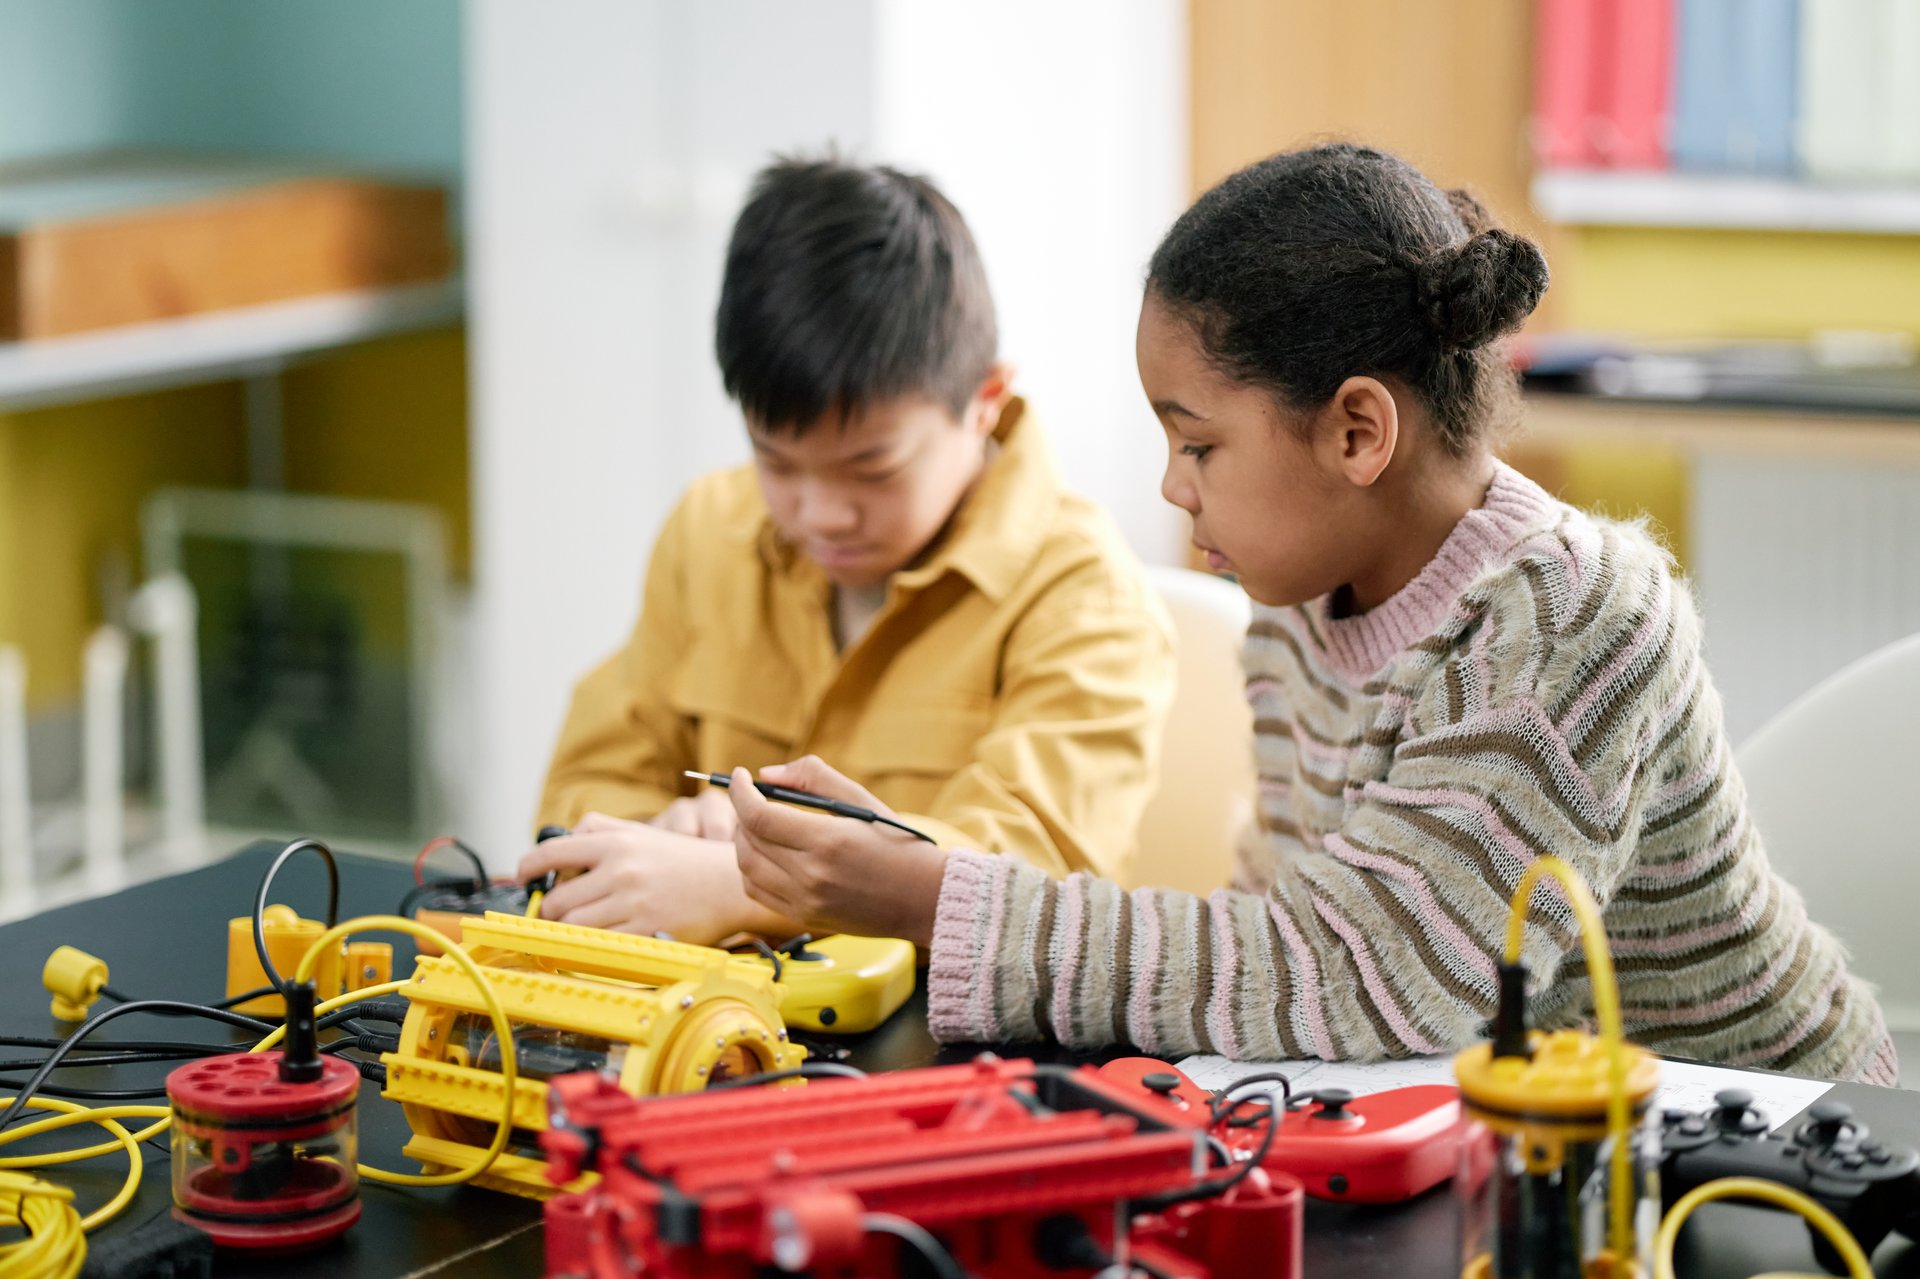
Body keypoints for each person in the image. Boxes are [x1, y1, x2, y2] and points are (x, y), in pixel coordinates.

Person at [720, 143, 1898, 1084]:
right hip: (1525, 1132)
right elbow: (1279, 940)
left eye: (1198, 444)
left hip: (1774, 1154)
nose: (1173, 487)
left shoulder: (1568, 617)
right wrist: (926, 869)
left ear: (1357, 431)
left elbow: (1375, 983)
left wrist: (928, 895)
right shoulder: (1296, 608)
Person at [518, 156, 1173, 945]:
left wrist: (744, 881)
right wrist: (661, 832)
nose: (823, 514)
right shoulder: (710, 529)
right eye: (777, 462)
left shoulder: (1084, 593)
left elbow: (1040, 881)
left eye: (873, 469)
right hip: (708, 1007)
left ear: (984, 401)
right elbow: (587, 783)